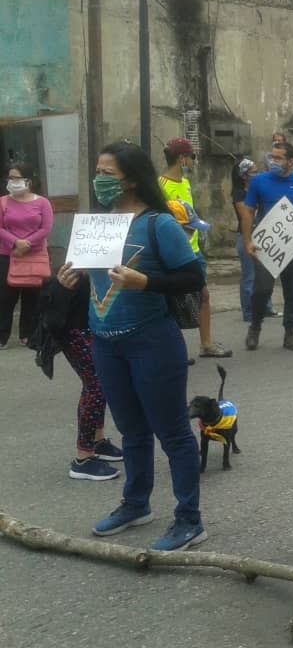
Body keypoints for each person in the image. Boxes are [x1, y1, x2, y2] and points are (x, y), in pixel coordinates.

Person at [56, 141, 206, 550]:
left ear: (133, 179)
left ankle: (189, 519)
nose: (100, 180)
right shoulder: (97, 225)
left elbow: (195, 278)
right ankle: (135, 504)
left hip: (152, 342)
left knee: (173, 432)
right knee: (132, 431)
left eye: (108, 173)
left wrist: (147, 282)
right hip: (105, 343)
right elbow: (95, 278)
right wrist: (71, 279)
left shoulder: (159, 225)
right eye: (98, 172)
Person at [35, 276, 124, 480]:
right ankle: (83, 458)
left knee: (101, 385)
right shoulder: (74, 263)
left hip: (90, 324)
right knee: (96, 386)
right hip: (74, 330)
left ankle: (97, 440)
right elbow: (52, 301)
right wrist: (62, 287)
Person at [158, 138, 231, 359]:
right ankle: (173, 350)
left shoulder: (185, 183)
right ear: (181, 159)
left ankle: (206, 344)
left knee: (203, 295)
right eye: (192, 157)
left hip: (193, 251)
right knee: (171, 302)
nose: (193, 161)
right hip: (174, 253)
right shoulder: (161, 186)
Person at [242, 140, 293, 351]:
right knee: (261, 290)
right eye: (271, 156)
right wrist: (247, 241)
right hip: (266, 246)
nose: (272, 161)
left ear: (291, 161)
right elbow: (248, 212)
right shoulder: (259, 182)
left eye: (278, 158)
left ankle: (290, 333)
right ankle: (255, 327)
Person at [1, 162, 53, 349]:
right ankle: (2, 336)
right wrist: (16, 242)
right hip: (8, 254)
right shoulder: (3, 202)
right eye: (9, 178)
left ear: (28, 181)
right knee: (6, 297)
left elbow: (45, 228)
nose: (11, 181)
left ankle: (27, 334)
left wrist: (27, 244)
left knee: (32, 296)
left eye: (15, 178)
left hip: (35, 254)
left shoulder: (42, 203)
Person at [232, 158, 276, 322]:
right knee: (249, 276)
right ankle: (249, 312)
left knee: (266, 273)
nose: (258, 175)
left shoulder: (259, 189)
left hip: (263, 234)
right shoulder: (239, 193)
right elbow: (247, 215)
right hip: (247, 236)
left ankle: (266, 308)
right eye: (254, 172)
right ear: (244, 176)